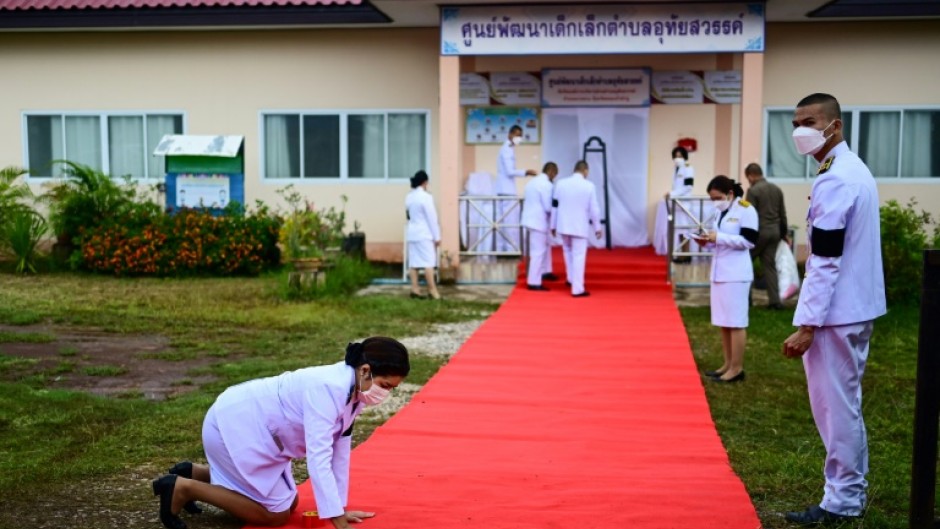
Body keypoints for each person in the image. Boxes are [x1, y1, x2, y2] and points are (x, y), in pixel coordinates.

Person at [153, 337, 410, 529]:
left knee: (291, 503)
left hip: (257, 432)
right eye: (385, 385)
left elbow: (340, 452)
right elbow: (319, 457)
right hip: (232, 426)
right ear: (365, 370)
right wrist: (335, 518)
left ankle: (196, 472)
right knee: (274, 515)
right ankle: (184, 488)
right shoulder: (328, 389)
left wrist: (338, 507)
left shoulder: (355, 390)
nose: (385, 393)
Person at [782, 93, 886, 526]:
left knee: (835, 408)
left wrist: (807, 324)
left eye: (810, 121)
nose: (800, 131)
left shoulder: (835, 178)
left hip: (835, 314)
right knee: (846, 402)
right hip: (854, 307)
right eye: (796, 123)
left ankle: (842, 499)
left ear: (834, 125)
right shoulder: (850, 168)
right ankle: (849, 491)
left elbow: (825, 259)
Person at [694, 176, 758, 383]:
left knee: (736, 322)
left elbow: (749, 241)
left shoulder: (746, 210)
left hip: (736, 275)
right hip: (720, 272)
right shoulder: (720, 211)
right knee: (724, 322)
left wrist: (719, 238)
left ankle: (737, 368)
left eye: (717, 198)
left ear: (730, 193)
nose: (715, 202)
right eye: (712, 199)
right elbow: (721, 240)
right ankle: (728, 363)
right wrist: (707, 242)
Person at [550, 160, 601, 298]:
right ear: (585, 171)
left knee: (567, 251)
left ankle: (571, 278)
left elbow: (554, 205)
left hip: (563, 225)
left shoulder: (561, 184)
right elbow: (594, 208)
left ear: (574, 169)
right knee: (579, 256)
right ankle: (577, 289)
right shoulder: (589, 186)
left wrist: (553, 225)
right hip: (579, 226)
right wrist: (597, 227)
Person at [744, 163, 789, 309]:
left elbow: (749, 215)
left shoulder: (753, 191)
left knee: (745, 263)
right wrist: (784, 234)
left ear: (751, 176)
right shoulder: (776, 189)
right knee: (770, 266)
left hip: (759, 233)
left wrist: (746, 235)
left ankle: (746, 299)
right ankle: (775, 302)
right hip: (774, 232)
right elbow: (782, 214)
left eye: (748, 178)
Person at [495, 125, 537, 253]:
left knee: (503, 223)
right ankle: (510, 250)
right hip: (507, 191)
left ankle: (503, 249)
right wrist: (526, 172)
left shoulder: (508, 148)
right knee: (510, 223)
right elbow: (509, 171)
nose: (519, 138)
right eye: (517, 135)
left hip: (504, 190)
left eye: (520, 136)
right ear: (510, 134)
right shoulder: (507, 149)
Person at [521, 162, 559, 291]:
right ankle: (534, 282)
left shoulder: (532, 182)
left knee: (545, 247)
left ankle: (545, 271)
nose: (554, 178)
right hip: (538, 221)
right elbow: (548, 207)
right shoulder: (546, 185)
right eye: (555, 174)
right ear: (551, 172)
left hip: (529, 220)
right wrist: (557, 208)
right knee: (538, 252)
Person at [405, 170, 442, 300]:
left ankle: (415, 289)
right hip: (424, 234)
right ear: (425, 182)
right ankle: (432, 291)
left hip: (412, 233)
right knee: (428, 262)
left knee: (414, 263)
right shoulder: (426, 197)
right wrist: (437, 237)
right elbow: (432, 218)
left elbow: (408, 216)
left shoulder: (409, 197)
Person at [667, 146, 696, 262]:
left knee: (685, 231)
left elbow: (688, 187)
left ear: (685, 157)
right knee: (679, 230)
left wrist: (672, 194)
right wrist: (672, 194)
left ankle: (686, 254)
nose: (677, 158)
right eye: (675, 156)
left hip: (684, 204)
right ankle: (682, 254)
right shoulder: (676, 169)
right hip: (677, 204)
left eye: (680, 156)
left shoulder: (688, 168)